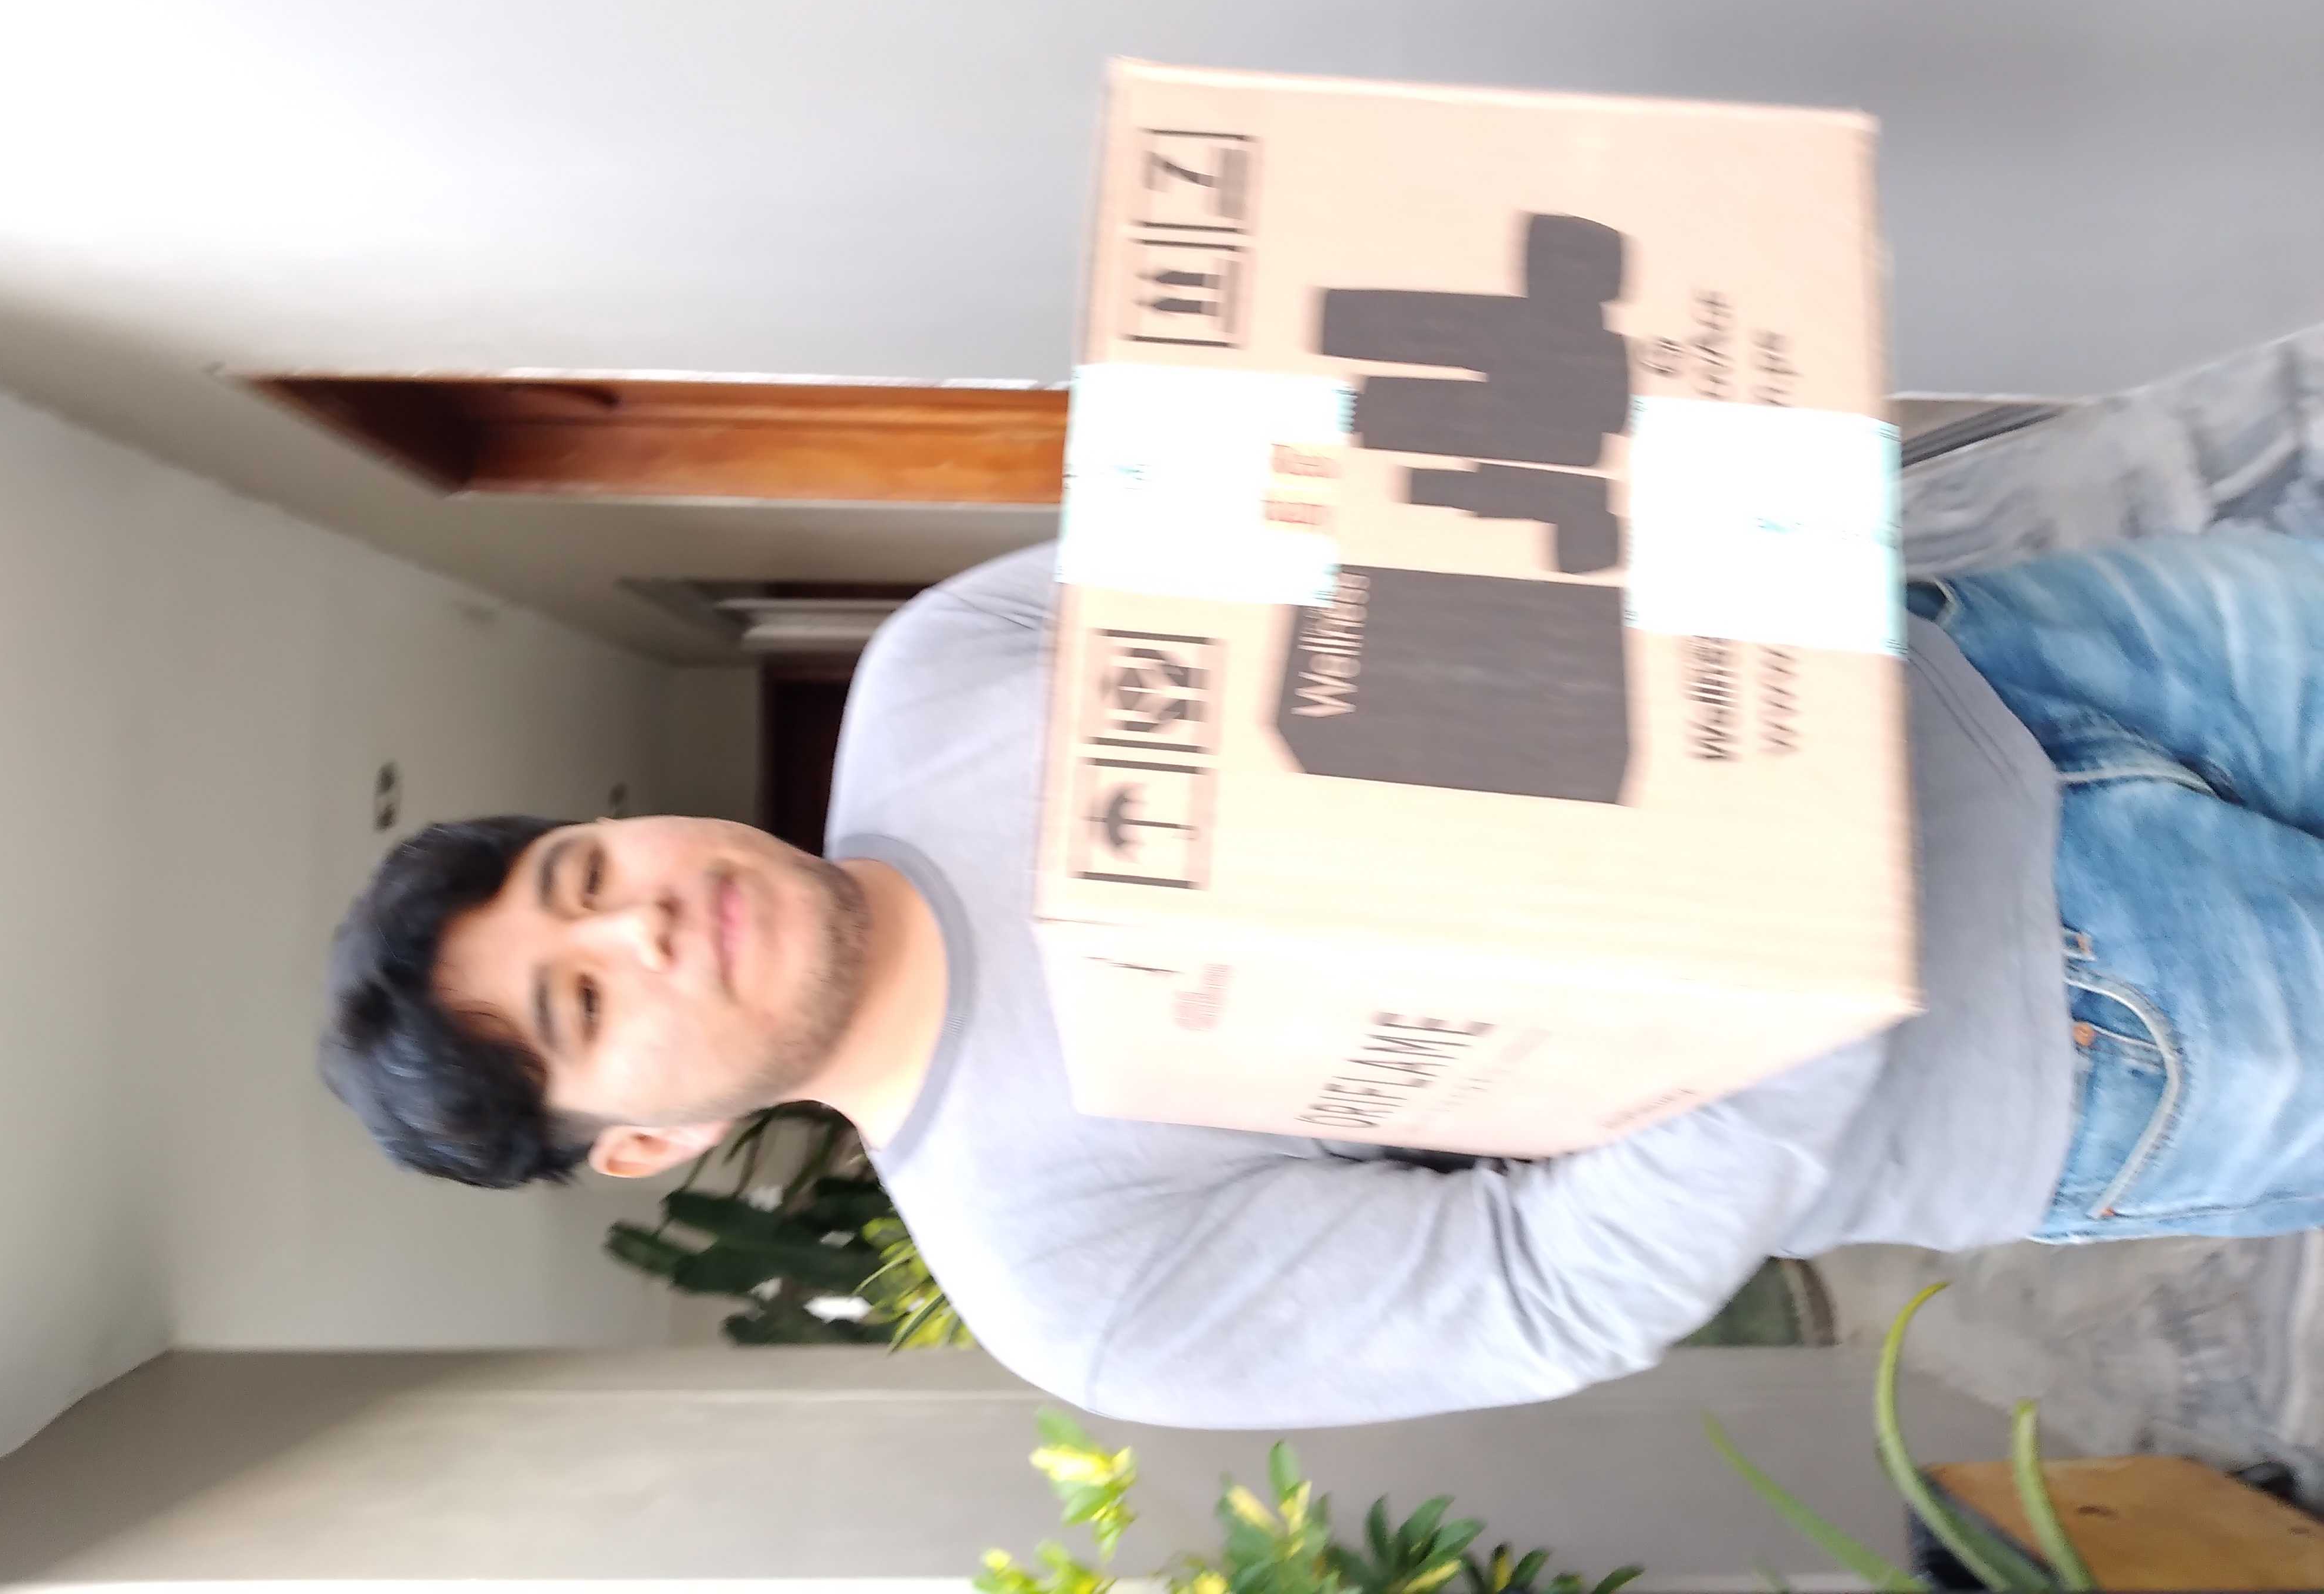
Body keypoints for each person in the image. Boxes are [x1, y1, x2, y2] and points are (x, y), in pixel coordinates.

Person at [318, 527, 2324, 1429]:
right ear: (643, 1143)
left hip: (2013, 655)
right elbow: (1547, 1287)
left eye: (584, 878)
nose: (644, 923)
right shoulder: (1069, 1284)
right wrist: (1785, 935)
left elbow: (1349, 538)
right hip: (2077, 1031)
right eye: (585, 1006)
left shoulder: (939, 668)